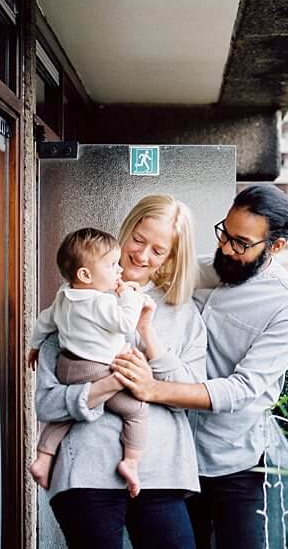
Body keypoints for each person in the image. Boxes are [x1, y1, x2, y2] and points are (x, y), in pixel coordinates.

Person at [113, 184, 288, 549]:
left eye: (240, 243)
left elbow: (242, 389)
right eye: (225, 233)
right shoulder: (199, 271)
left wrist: (154, 388)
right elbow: (144, 279)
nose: (225, 248)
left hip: (232, 461)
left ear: (275, 247)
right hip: (172, 454)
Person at [34, 195, 207, 549]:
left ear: (172, 257)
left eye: (158, 251)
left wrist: (148, 338)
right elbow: (48, 405)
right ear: (127, 230)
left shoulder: (182, 312)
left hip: (161, 473)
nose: (142, 256)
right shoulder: (74, 299)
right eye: (139, 240)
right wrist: (103, 387)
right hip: (85, 473)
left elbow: (190, 397)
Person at [27, 227, 155, 496]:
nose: (119, 271)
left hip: (68, 366)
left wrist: (35, 347)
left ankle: (42, 459)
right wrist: (129, 297)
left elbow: (43, 321)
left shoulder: (63, 296)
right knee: (136, 410)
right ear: (85, 275)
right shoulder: (101, 303)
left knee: (69, 414)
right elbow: (125, 324)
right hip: (97, 369)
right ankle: (131, 463)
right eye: (112, 265)